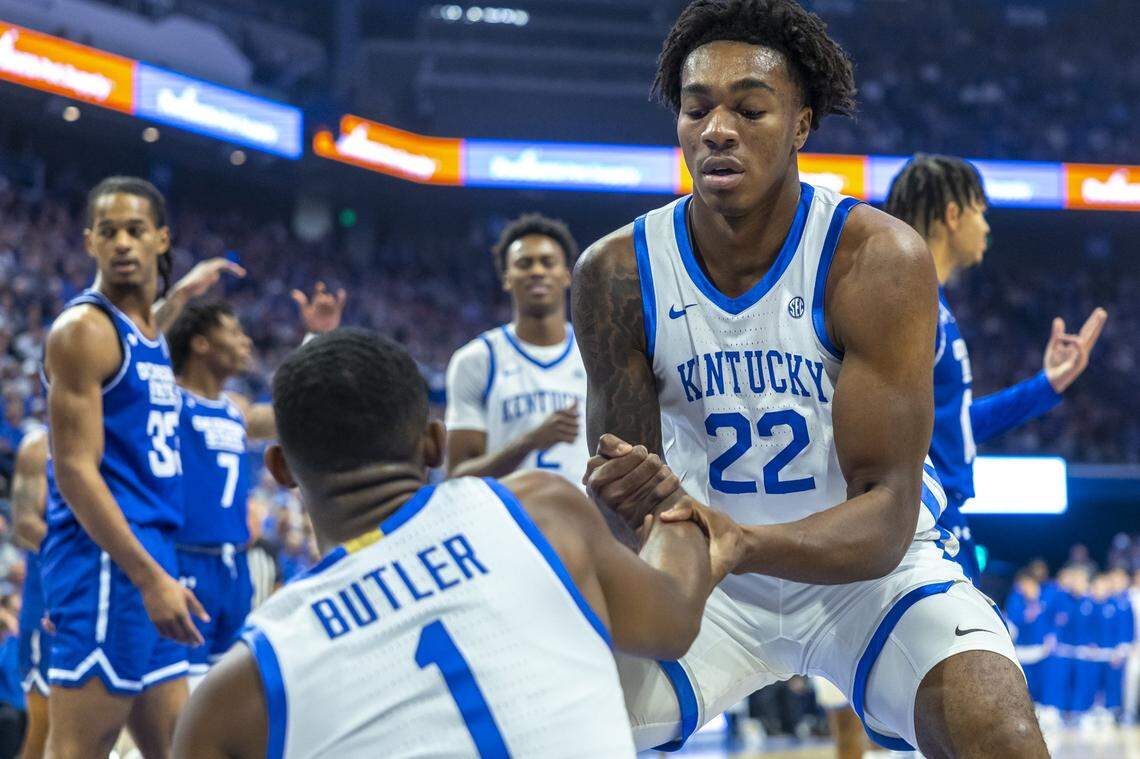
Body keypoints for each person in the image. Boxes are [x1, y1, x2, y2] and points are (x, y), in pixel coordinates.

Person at [571, 1, 1046, 755]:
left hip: (865, 577)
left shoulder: (877, 260)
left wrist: (739, 537)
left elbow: (888, 514)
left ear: (801, 124)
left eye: (750, 108)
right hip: (707, 575)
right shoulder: (615, 274)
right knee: (542, 717)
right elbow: (632, 501)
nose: (716, 129)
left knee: (1000, 727)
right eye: (696, 109)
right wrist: (622, 502)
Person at [173, 328, 741, 758]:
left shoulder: (238, 688)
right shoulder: (543, 509)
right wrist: (671, 506)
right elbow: (673, 623)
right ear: (434, 444)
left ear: (278, 468)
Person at [40, 176, 207, 758]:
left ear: (162, 239)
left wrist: (183, 294)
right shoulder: (83, 330)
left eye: (136, 230)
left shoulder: (149, 330)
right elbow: (75, 473)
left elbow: (152, 313)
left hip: (148, 554)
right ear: (89, 243)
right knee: (78, 751)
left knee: (180, 747)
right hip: (107, 563)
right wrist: (147, 577)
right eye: (108, 232)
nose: (122, 244)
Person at [884, 154, 1107, 581]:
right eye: (981, 212)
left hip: (944, 529)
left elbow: (952, 426)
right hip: (924, 533)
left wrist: (1046, 386)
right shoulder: (908, 301)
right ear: (952, 215)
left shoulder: (933, 302)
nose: (987, 226)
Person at [162, 286, 345, 682]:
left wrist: (317, 340)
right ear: (201, 343)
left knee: (224, 690)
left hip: (233, 567)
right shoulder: (169, 400)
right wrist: (180, 296)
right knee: (176, 702)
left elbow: (297, 411)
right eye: (234, 332)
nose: (246, 342)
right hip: (182, 561)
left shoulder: (237, 409)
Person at [445, 214, 588, 484]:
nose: (537, 271)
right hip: (505, 521)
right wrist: (530, 441)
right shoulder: (477, 360)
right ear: (507, 278)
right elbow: (456, 476)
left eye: (548, 262)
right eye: (525, 263)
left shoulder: (595, 354)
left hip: (583, 521)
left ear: (567, 275)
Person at [9, 428, 47, 759]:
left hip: (115, 597)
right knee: (44, 729)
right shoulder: (38, 447)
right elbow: (23, 525)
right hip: (53, 598)